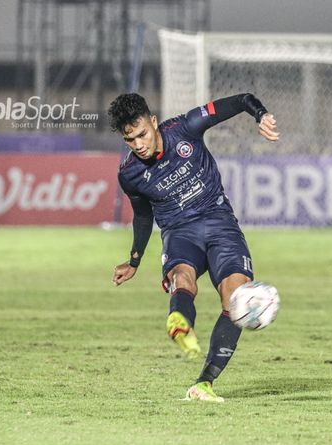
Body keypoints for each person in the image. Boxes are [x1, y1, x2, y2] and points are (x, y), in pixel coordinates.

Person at [108, 92, 279, 402]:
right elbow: (143, 217)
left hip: (220, 223)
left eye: (142, 134)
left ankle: (204, 384)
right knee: (182, 279)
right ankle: (179, 320)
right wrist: (134, 260)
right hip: (178, 232)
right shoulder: (130, 175)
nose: (138, 144)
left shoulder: (187, 127)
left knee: (237, 299)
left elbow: (241, 100)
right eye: (130, 140)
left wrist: (261, 115)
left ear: (154, 122)